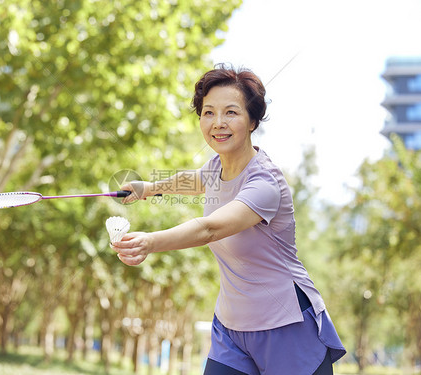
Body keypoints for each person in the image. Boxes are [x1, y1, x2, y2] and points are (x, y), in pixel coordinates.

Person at [111, 64, 346, 375]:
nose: (218, 123)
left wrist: (150, 241)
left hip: (285, 323)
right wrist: (148, 188)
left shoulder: (265, 183)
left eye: (231, 113)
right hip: (231, 328)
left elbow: (210, 228)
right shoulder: (215, 168)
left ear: (252, 121)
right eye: (208, 113)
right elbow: (194, 179)